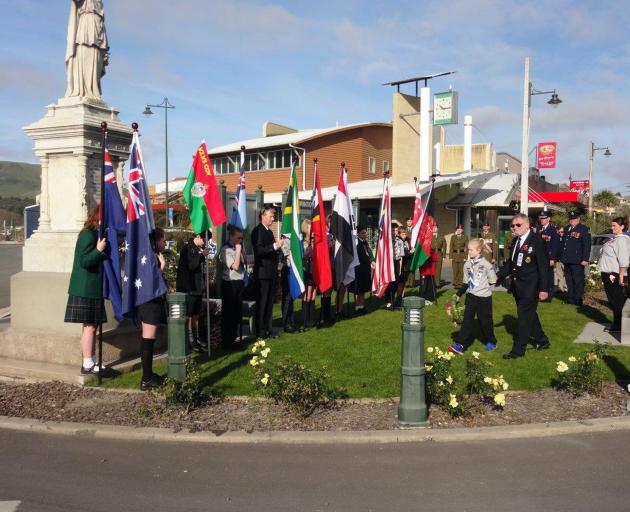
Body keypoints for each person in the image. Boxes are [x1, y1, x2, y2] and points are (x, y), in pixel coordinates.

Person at [496, 213, 550, 359]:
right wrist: (496, 277)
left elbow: (544, 267)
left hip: (531, 287)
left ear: (527, 225)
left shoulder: (537, 241)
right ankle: (542, 341)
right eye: (512, 225)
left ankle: (518, 350)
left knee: (523, 319)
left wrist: (544, 289)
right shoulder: (515, 241)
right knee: (530, 315)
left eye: (518, 225)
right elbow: (510, 265)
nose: (514, 228)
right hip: (517, 286)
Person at [64, 204, 107, 375]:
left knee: (92, 326)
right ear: (98, 217)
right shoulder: (87, 235)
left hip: (91, 287)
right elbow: (85, 261)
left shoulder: (94, 234)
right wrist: (98, 250)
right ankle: (87, 363)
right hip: (85, 288)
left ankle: (91, 360)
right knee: (90, 326)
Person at [448, 239, 499, 355]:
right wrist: (458, 294)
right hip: (470, 297)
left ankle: (492, 341)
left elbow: (493, 281)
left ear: (479, 250)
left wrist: (487, 291)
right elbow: (466, 282)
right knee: (467, 321)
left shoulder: (486, 264)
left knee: (485, 322)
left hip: (484, 298)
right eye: (468, 250)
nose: (469, 252)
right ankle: (460, 345)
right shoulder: (467, 264)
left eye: (471, 250)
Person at [136, 227, 168, 390]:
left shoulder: (150, 256)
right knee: (148, 340)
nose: (164, 243)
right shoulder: (151, 258)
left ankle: (148, 375)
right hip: (150, 303)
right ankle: (146, 378)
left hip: (149, 302)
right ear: (155, 241)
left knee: (149, 339)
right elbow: (153, 282)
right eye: (162, 240)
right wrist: (162, 266)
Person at [65, 0, 109, 99]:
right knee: (84, 50)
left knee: (97, 58)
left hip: (99, 26)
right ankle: (82, 89)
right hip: (86, 23)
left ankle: (92, 89)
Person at [175, 232, 208, 353]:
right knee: (189, 314)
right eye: (204, 240)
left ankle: (197, 337)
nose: (206, 243)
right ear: (198, 238)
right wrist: (201, 255)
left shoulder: (198, 249)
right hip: (189, 287)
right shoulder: (187, 248)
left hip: (198, 287)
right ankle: (190, 339)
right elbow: (191, 265)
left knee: (196, 314)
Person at [596, 217, 630, 333]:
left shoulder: (621, 240)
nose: (612, 228)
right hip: (608, 273)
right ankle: (618, 323)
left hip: (614, 274)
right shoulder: (614, 239)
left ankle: (619, 325)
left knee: (617, 300)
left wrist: (621, 275)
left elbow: (624, 259)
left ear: (622, 227)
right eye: (612, 225)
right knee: (613, 300)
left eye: (614, 225)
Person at [251, 206, 281, 338]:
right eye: (271, 216)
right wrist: (274, 246)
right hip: (262, 273)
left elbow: (272, 250)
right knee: (262, 302)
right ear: (263, 216)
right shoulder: (257, 231)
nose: (273, 219)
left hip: (271, 272)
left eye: (273, 216)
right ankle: (260, 330)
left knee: (269, 302)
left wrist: (279, 249)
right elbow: (259, 251)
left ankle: (268, 328)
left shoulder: (269, 231)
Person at [560, 211, 591, 306]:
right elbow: (564, 244)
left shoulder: (583, 229)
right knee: (569, 280)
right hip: (567, 259)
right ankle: (571, 298)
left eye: (574, 218)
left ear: (578, 219)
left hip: (577, 260)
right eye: (571, 218)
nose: (572, 220)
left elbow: (587, 245)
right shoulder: (566, 228)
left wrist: (585, 259)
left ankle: (578, 300)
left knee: (578, 281)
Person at [536, 209, 561, 302]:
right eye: (541, 218)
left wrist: (552, 258)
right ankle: (541, 294)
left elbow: (555, 245)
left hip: (548, 258)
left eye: (544, 218)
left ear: (549, 219)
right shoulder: (538, 229)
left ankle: (549, 296)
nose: (542, 220)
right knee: (540, 276)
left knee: (549, 277)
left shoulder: (553, 230)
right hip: (539, 257)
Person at [353, 226, 374, 315]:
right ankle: (357, 307)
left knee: (364, 289)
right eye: (362, 233)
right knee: (358, 289)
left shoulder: (365, 242)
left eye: (365, 233)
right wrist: (368, 261)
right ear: (357, 234)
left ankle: (361, 305)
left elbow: (369, 252)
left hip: (365, 269)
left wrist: (372, 260)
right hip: (359, 269)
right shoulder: (356, 243)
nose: (364, 234)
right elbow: (360, 256)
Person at [301, 219, 317, 329]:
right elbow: (301, 256)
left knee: (313, 294)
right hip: (306, 269)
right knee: (307, 294)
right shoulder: (302, 242)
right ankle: (305, 320)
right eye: (310, 227)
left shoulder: (315, 240)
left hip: (314, 270)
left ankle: (312, 318)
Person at [555, 226, 568, 293]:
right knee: (559, 275)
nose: (560, 233)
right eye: (559, 232)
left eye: (562, 232)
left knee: (566, 275)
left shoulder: (566, 239)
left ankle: (566, 288)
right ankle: (561, 289)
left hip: (565, 260)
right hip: (558, 260)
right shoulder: (556, 239)